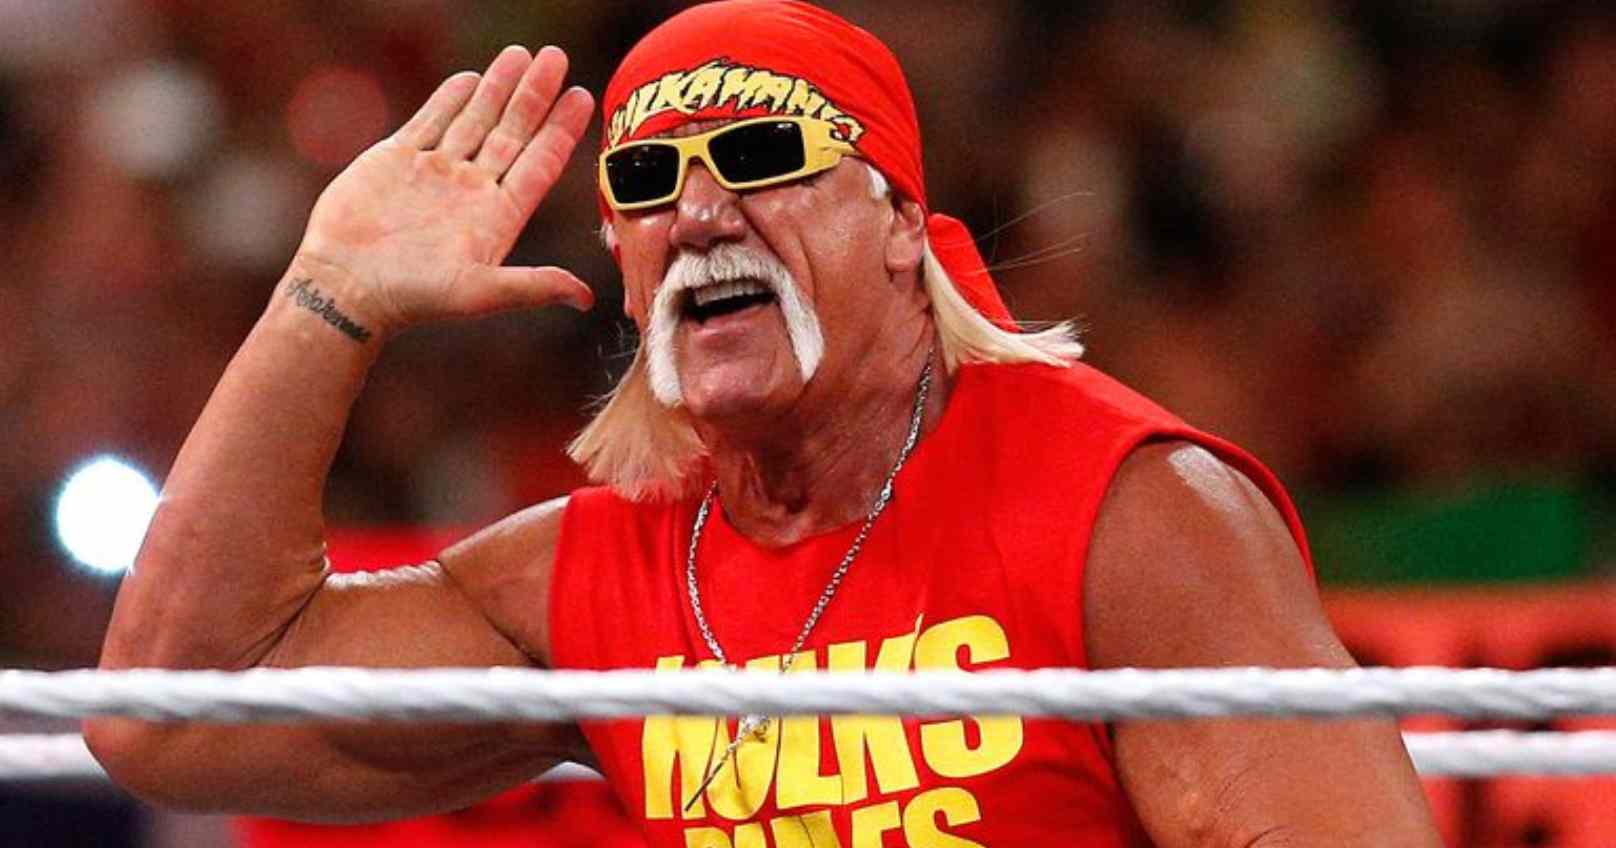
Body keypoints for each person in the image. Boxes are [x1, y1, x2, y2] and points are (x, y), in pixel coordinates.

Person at [85, 2, 1441, 845]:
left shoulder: (1128, 514)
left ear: (900, 224)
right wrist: (325, 303)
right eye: (647, 180)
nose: (699, 212)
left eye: (760, 157)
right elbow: (173, 720)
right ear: (623, 260)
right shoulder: (601, 574)